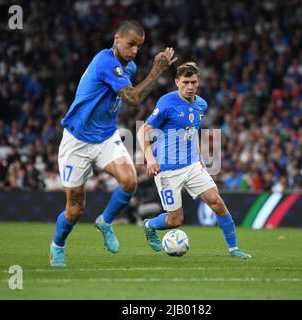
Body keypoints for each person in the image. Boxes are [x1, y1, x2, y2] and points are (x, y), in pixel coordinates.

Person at [50, 20, 177, 267]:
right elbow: (133, 97)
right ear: (116, 38)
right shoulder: (105, 61)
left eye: (139, 46)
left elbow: (126, 92)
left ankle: (105, 222)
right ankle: (58, 246)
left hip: (106, 136)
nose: (134, 51)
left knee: (130, 181)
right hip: (77, 141)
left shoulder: (128, 67)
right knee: (75, 209)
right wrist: (158, 70)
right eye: (130, 44)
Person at [137, 62, 251, 259]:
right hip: (167, 170)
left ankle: (233, 249)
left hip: (191, 166)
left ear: (198, 83)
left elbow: (192, 133)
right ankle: (149, 225)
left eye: (193, 82)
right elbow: (142, 131)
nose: (190, 86)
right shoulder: (166, 102)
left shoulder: (201, 104)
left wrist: (200, 162)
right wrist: (150, 159)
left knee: (218, 203)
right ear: (177, 82)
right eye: (185, 82)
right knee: (175, 220)